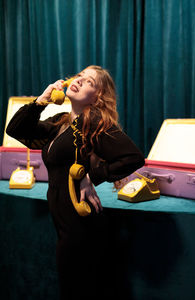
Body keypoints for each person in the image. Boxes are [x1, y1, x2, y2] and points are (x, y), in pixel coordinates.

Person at [6, 65, 145, 299]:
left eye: (89, 81)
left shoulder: (95, 121)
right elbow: (15, 129)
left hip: (83, 225)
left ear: (98, 96)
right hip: (64, 221)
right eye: (80, 76)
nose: (79, 80)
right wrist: (41, 101)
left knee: (78, 290)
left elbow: (133, 158)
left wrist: (92, 176)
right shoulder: (60, 122)